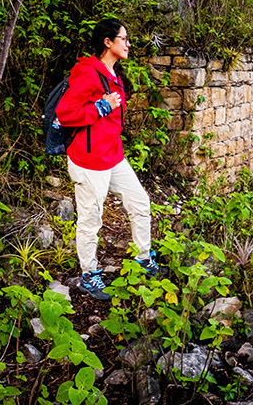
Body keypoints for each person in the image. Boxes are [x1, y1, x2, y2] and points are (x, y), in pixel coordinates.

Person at [56, 18, 159, 301]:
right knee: (91, 219)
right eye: (124, 39)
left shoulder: (112, 74)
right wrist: (100, 107)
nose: (128, 44)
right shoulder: (87, 73)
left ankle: (143, 258)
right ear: (107, 42)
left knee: (140, 202)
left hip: (112, 155)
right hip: (88, 160)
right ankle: (88, 275)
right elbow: (65, 114)